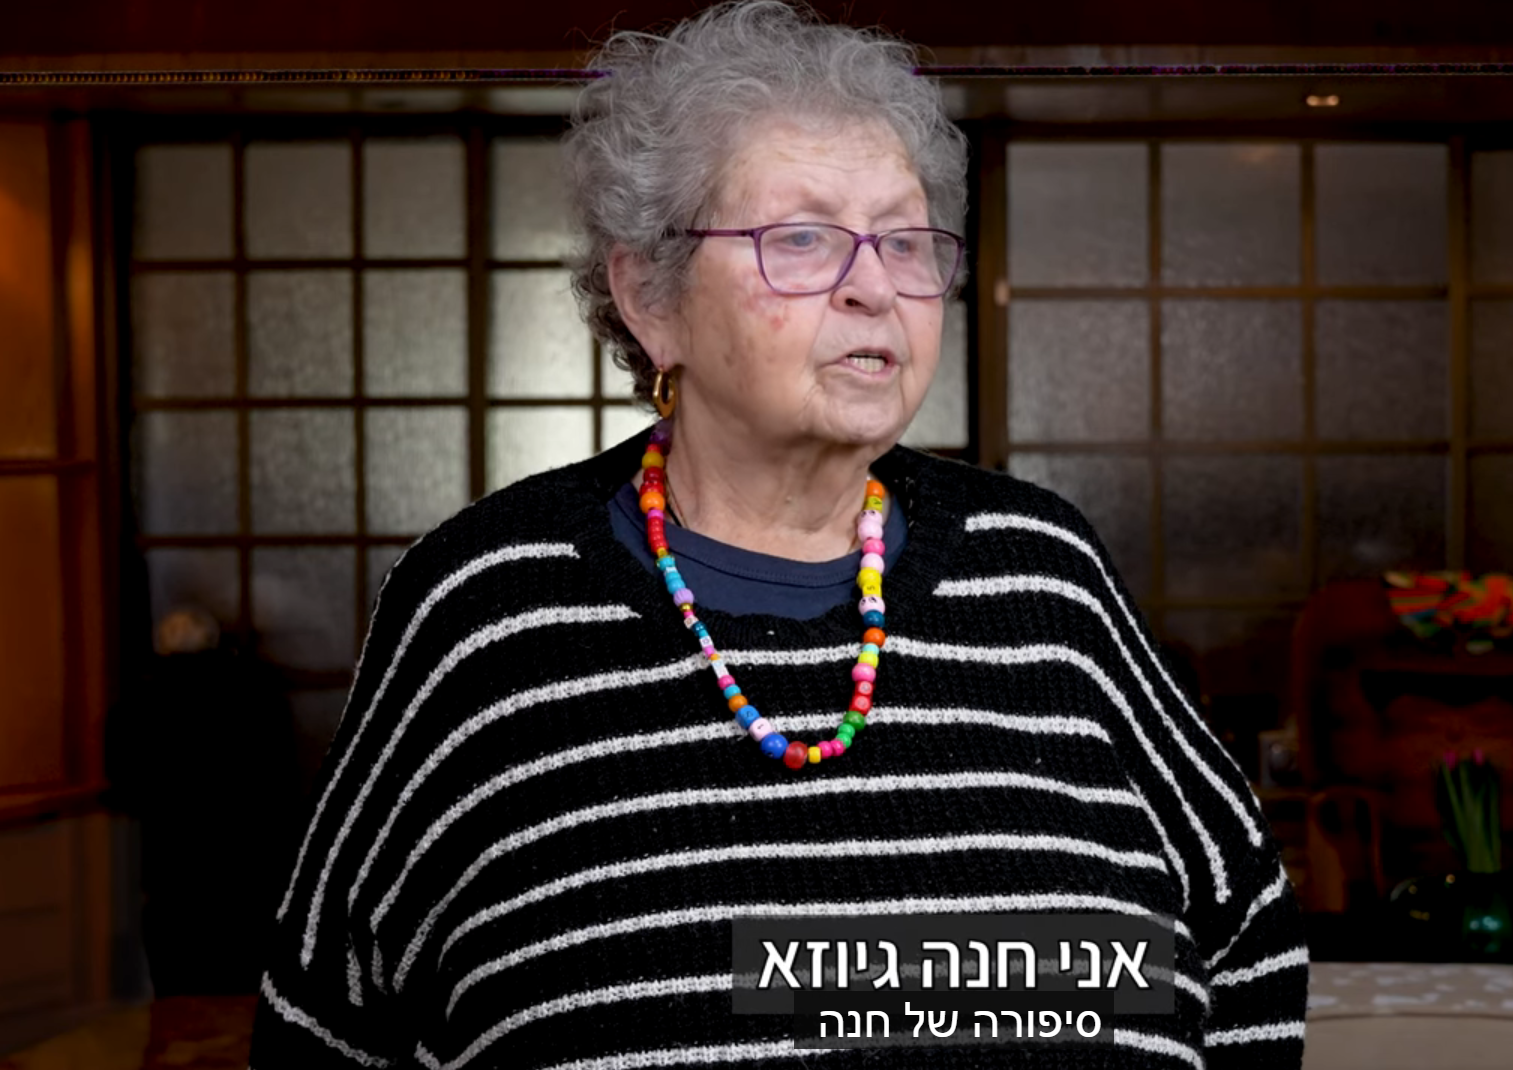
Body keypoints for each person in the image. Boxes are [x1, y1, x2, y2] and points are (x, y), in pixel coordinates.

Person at [248, 3, 1307, 1066]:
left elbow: (1244, 924)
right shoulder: (489, 604)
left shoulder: (1043, 575)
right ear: (649, 294)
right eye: (801, 238)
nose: (872, 287)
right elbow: (326, 1013)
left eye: (904, 241)